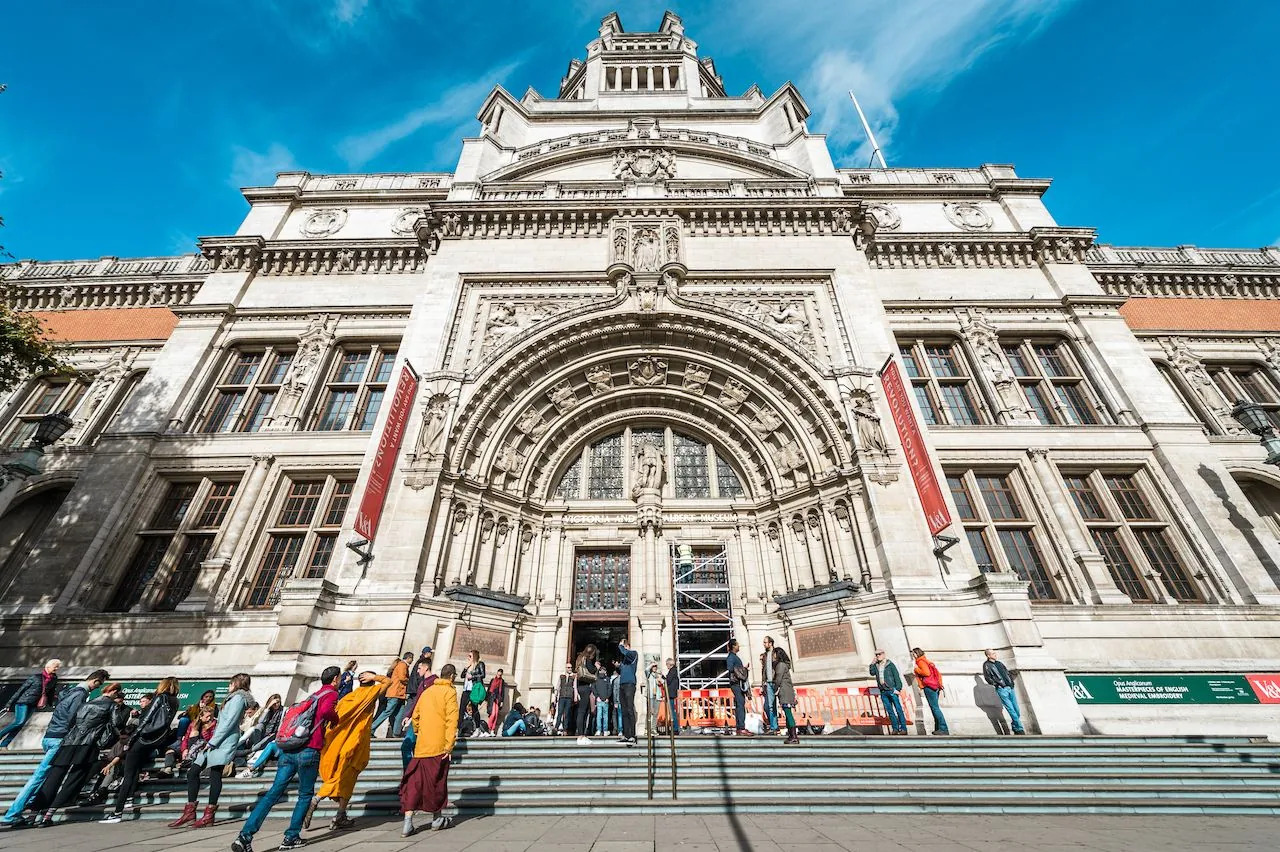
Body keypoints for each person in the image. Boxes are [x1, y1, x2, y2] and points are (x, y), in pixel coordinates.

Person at [232, 665, 341, 852]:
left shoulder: (312, 696)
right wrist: (335, 718)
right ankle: (290, 837)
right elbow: (325, 712)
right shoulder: (330, 694)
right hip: (309, 750)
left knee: (273, 793)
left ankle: (245, 836)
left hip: (289, 749)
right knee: (305, 794)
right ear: (335, 679)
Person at [1, 667, 108, 826]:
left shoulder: (68, 692)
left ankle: (27, 808)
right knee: (39, 778)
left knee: (45, 777)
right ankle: (12, 814)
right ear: (95, 681)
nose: (97, 688)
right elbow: (74, 719)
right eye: (98, 685)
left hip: (50, 735)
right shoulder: (80, 695)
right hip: (59, 738)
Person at [29, 682, 129, 826]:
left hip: (69, 742)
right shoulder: (111, 705)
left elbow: (71, 722)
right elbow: (117, 723)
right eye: (117, 693)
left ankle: (34, 814)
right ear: (113, 692)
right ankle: (48, 815)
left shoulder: (85, 704)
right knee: (74, 779)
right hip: (87, 744)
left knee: (53, 777)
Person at [305, 670, 390, 830]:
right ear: (371, 681)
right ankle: (317, 798)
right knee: (343, 777)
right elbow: (388, 682)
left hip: (339, 742)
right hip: (355, 743)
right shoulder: (370, 693)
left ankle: (340, 816)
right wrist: (376, 677)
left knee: (347, 779)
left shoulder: (348, 697)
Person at [171, 673, 255, 829]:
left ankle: (209, 814)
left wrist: (213, 742)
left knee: (215, 774)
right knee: (193, 771)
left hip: (223, 741)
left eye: (231, 683)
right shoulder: (234, 698)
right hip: (217, 740)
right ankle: (190, 811)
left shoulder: (238, 699)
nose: (229, 686)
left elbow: (229, 723)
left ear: (236, 683)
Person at [101, 677, 180, 823]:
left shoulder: (160, 698)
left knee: (128, 773)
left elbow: (146, 719)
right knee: (136, 768)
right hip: (156, 739)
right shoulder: (175, 701)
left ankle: (118, 812)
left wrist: (133, 738)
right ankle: (130, 798)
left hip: (143, 738)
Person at [400, 663, 458, 836]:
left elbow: (415, 717)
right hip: (439, 746)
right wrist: (449, 745)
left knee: (414, 784)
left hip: (422, 747)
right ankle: (437, 818)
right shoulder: (450, 692)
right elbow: (451, 721)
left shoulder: (427, 692)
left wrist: (419, 732)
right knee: (437, 783)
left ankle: (408, 822)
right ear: (453, 677)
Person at [0, 659, 62, 748]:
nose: (56, 668)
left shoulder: (53, 679)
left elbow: (51, 692)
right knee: (19, 722)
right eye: (55, 666)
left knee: (20, 726)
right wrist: (9, 704)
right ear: (48, 666)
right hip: (23, 702)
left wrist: (51, 704)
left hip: (33, 704)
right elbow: (21, 690)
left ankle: (4, 745)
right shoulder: (35, 677)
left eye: (57, 667)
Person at [401, 651, 435, 770]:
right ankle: (412, 773)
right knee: (411, 747)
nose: (417, 671)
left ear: (426, 668)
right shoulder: (422, 684)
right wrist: (408, 715)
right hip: (416, 719)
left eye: (419, 668)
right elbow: (417, 702)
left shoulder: (434, 682)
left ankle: (411, 773)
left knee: (408, 746)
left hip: (425, 721)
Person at [235, 694, 282, 772]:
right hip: (260, 735)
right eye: (274, 703)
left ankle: (253, 751)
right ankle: (237, 747)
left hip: (273, 735)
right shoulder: (266, 711)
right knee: (257, 727)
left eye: (278, 702)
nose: (276, 705)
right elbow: (260, 721)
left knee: (270, 736)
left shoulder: (283, 711)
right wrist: (267, 708)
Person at [982, 649, 1025, 735]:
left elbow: (1007, 673)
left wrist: (1011, 683)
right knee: (1011, 709)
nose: (995, 654)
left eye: (995, 653)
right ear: (988, 655)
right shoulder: (987, 665)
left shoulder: (999, 663)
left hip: (1010, 687)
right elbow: (987, 678)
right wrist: (998, 684)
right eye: (993, 653)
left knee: (1016, 710)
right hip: (1002, 689)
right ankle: (1020, 729)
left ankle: (1015, 727)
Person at [370, 652, 412, 738]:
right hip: (395, 693)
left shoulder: (402, 665)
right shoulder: (402, 665)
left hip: (399, 694)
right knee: (387, 711)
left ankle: (396, 733)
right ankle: (372, 728)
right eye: (412, 658)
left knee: (400, 714)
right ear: (409, 658)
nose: (412, 660)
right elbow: (402, 678)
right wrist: (410, 682)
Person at [870, 650, 908, 735]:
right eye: (876, 655)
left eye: (879, 654)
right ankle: (895, 728)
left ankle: (903, 729)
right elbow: (872, 673)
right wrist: (872, 664)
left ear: (883, 654)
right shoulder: (876, 665)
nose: (878, 656)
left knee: (898, 710)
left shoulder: (890, 664)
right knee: (890, 711)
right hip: (883, 691)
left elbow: (896, 676)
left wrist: (898, 688)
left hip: (892, 690)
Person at [911, 648, 949, 735]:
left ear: (917, 654)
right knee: (934, 708)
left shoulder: (920, 662)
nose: (913, 656)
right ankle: (938, 728)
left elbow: (926, 673)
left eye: (913, 654)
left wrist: (916, 670)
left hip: (929, 687)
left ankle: (943, 728)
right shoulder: (926, 661)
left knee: (935, 708)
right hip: (935, 686)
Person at [772, 646, 800, 745]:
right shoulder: (784, 665)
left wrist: (775, 687)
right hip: (787, 690)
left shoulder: (780, 665)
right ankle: (791, 735)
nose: (773, 656)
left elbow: (778, 679)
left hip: (784, 691)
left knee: (788, 713)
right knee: (787, 712)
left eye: (774, 654)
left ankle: (794, 736)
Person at [725, 639, 751, 736]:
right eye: (737, 645)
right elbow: (730, 668)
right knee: (740, 704)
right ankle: (741, 727)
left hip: (737, 683)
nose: (739, 646)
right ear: (734, 646)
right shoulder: (731, 657)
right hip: (736, 683)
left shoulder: (734, 657)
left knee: (740, 704)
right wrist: (743, 669)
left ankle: (740, 726)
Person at [573, 645, 598, 745]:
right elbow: (592, 670)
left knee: (582, 711)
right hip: (585, 687)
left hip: (580, 687)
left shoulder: (579, 658)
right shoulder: (586, 659)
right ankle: (581, 736)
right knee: (583, 711)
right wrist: (596, 666)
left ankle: (581, 735)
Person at [617, 638, 639, 745]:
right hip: (622, 684)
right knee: (624, 710)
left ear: (628, 646)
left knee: (630, 709)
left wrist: (621, 645)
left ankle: (632, 735)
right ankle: (626, 734)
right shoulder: (625, 660)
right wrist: (618, 666)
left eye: (625, 646)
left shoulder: (633, 654)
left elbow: (624, 651)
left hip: (630, 684)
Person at [458, 650, 486, 728]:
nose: (468, 658)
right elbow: (462, 676)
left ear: (474, 656)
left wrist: (472, 676)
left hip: (474, 689)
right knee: (462, 709)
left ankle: (477, 728)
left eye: (470, 656)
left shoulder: (480, 664)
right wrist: (466, 667)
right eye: (468, 656)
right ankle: (458, 728)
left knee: (474, 709)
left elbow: (483, 674)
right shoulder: (468, 666)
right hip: (466, 689)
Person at [760, 636, 779, 734]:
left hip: (776, 682)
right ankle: (773, 727)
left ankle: (777, 726)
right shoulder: (765, 655)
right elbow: (763, 670)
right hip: (768, 683)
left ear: (770, 643)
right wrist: (763, 683)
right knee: (770, 706)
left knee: (781, 705)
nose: (764, 644)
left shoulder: (776, 653)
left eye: (765, 642)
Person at [553, 663, 575, 735]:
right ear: (566, 668)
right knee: (560, 712)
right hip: (562, 696)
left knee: (567, 714)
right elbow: (558, 686)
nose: (570, 669)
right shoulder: (561, 676)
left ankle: (565, 729)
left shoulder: (573, 676)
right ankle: (556, 727)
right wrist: (555, 697)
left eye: (571, 667)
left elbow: (574, 687)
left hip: (569, 697)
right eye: (568, 667)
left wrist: (575, 696)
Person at [591, 662, 611, 736]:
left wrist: (607, 697)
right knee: (600, 715)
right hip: (600, 700)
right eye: (601, 670)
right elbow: (593, 688)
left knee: (603, 716)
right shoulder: (596, 679)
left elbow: (609, 689)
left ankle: (603, 730)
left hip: (604, 700)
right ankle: (600, 730)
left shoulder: (607, 679)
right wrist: (597, 697)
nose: (602, 672)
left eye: (603, 671)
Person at [664, 659, 681, 735]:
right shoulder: (674, 671)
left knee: (672, 711)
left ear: (669, 664)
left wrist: (663, 678)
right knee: (672, 711)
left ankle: (675, 728)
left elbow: (668, 680)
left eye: (667, 664)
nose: (666, 666)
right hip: (671, 693)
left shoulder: (672, 671)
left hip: (670, 693)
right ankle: (675, 727)